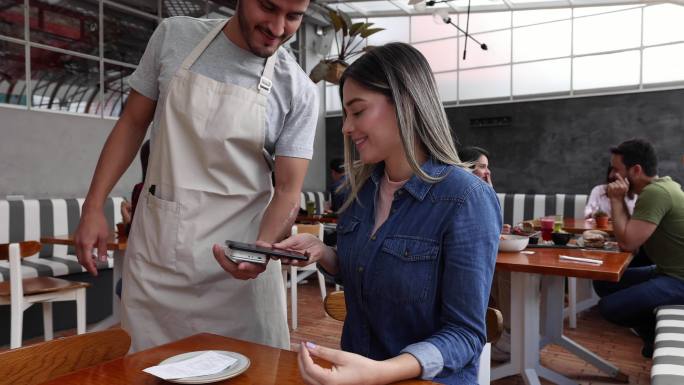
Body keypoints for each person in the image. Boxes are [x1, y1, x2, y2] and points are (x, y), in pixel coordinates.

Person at [74, 0, 318, 352]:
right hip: (158, 261)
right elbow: (132, 123)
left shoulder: (298, 89)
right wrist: (94, 204)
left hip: (239, 274)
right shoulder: (175, 37)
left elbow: (287, 191)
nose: (278, 28)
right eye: (268, 7)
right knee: (147, 369)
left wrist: (260, 250)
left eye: (293, 16)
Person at [274, 43, 501, 385]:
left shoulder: (466, 198)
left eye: (358, 111)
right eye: (346, 114)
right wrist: (324, 253)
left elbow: (466, 335)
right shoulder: (359, 193)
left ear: (406, 104)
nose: (345, 128)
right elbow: (367, 273)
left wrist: (380, 372)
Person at [593, 138, 684, 358]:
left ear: (635, 170)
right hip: (666, 272)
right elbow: (629, 235)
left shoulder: (656, 193)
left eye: (616, 169)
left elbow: (627, 243)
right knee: (604, 281)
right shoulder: (664, 186)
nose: (612, 175)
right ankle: (653, 337)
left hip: (679, 280)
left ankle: (654, 335)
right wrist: (620, 199)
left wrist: (615, 200)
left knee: (609, 307)